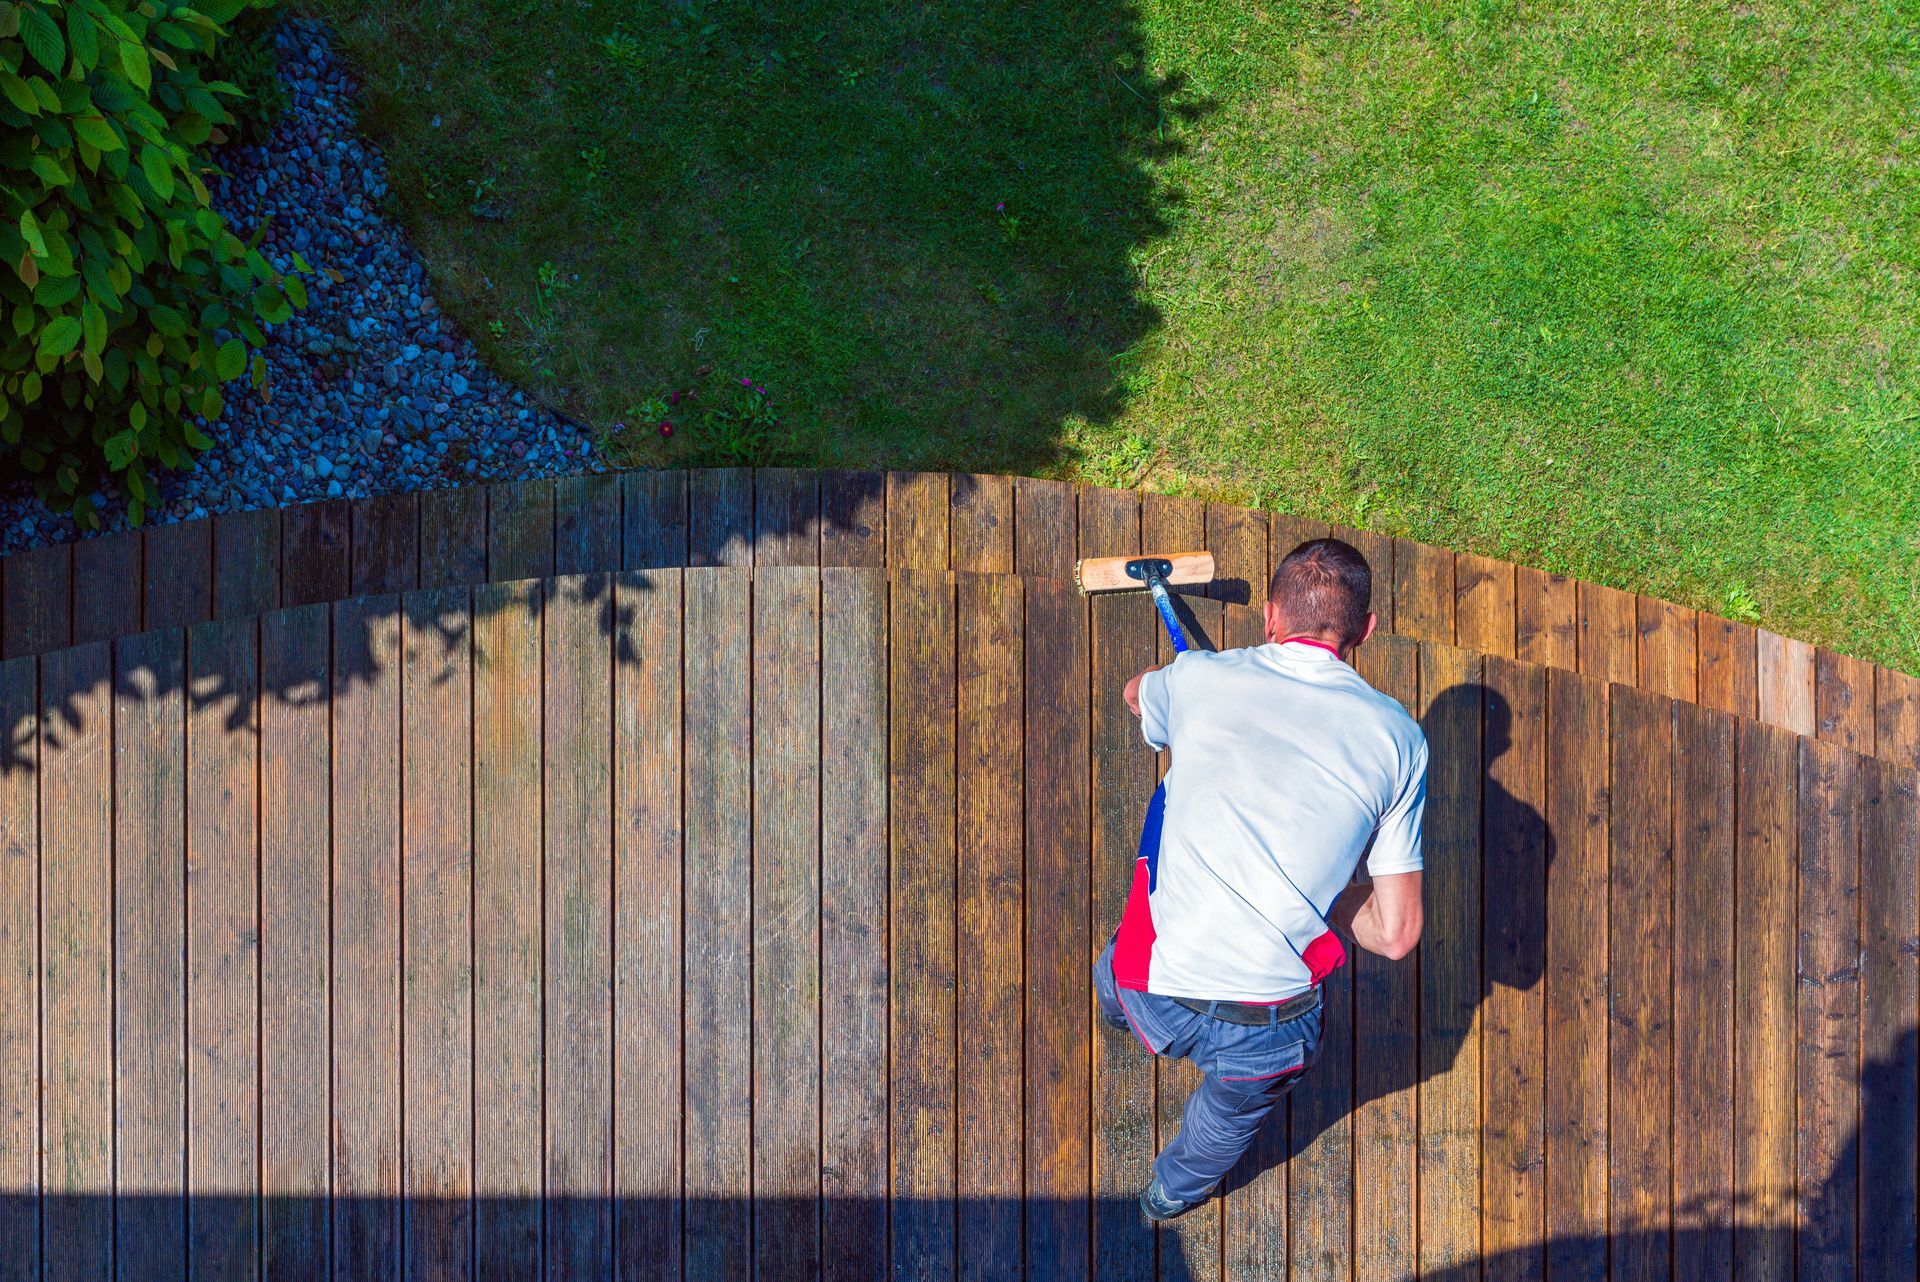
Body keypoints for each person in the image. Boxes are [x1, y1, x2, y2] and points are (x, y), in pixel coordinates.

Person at [1094, 537, 1429, 1223]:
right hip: (1266, 1026)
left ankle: (1115, 1018)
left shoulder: (1200, 680)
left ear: (1271, 617)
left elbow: (1136, 696)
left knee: (1110, 981)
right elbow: (1396, 935)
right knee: (1223, 1124)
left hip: (1149, 983)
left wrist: (1174, 691)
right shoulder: (1399, 739)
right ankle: (1170, 1195)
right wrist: (1313, 883)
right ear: (1365, 630)